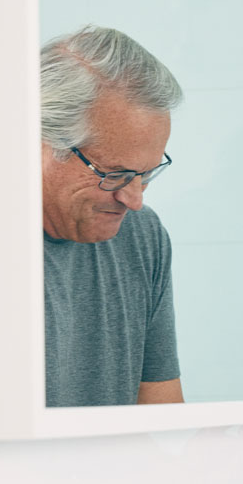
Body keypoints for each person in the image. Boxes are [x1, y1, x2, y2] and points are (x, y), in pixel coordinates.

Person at [39, 24, 184, 407]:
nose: (133, 199)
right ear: (41, 143)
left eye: (146, 174)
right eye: (114, 175)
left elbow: (161, 415)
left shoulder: (141, 235)